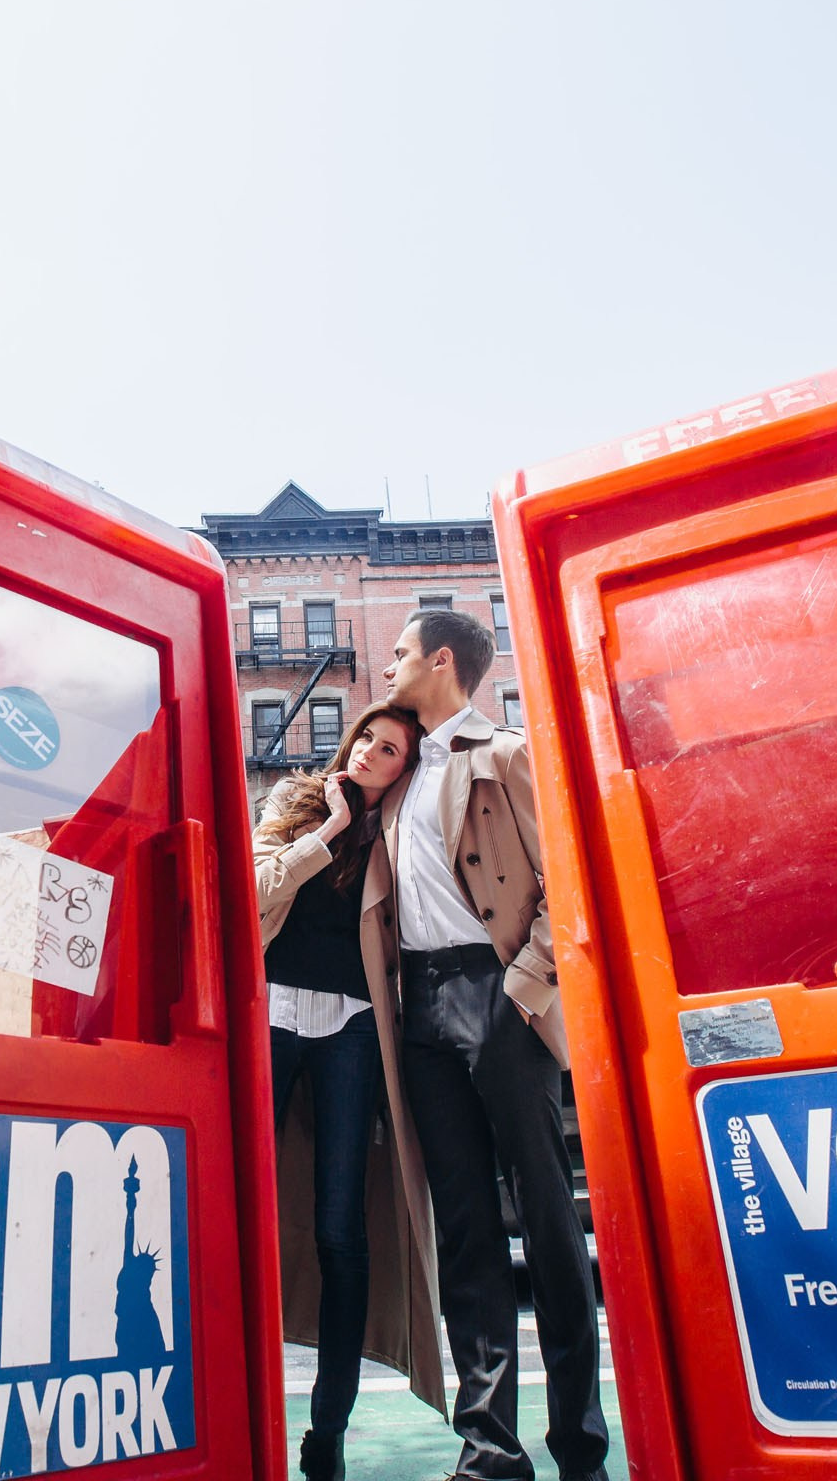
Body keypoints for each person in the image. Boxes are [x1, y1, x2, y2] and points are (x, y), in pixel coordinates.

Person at [378, 608, 607, 1481]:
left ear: (441, 662)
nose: (391, 666)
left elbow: (568, 880)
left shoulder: (505, 753)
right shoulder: (397, 774)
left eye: (401, 654)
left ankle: (581, 1449)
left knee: (547, 1222)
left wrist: (521, 990)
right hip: (422, 1012)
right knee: (467, 1233)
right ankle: (489, 1453)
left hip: (499, 992)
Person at [255, 701, 446, 1479]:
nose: (372, 751)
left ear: (407, 768)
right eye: (367, 736)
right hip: (267, 1016)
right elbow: (257, 889)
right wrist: (327, 831)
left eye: (392, 749)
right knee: (241, 1215)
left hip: (356, 1031)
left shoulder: (401, 836)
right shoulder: (295, 801)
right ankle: (242, 1404)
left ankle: (327, 1431)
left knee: (342, 1232)